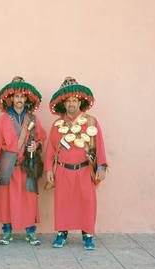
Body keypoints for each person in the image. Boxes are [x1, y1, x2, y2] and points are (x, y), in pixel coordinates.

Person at [44, 77, 107, 250]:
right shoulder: (57, 125)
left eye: (74, 100)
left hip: (85, 170)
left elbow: (99, 145)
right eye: (68, 101)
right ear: (63, 104)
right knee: (63, 202)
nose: (71, 103)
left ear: (80, 102)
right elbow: (50, 149)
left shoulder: (91, 122)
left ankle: (87, 235)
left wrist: (101, 166)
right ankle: (61, 233)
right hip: (63, 170)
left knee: (87, 201)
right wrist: (49, 169)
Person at [0, 76, 46, 246]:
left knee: (29, 197)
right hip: (7, 162)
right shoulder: (3, 119)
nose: (19, 99)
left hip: (28, 162)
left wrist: (36, 144)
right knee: (6, 197)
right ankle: (7, 231)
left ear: (26, 98)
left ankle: (30, 232)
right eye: (16, 96)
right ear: (11, 98)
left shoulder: (33, 119)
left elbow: (42, 137)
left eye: (22, 96)